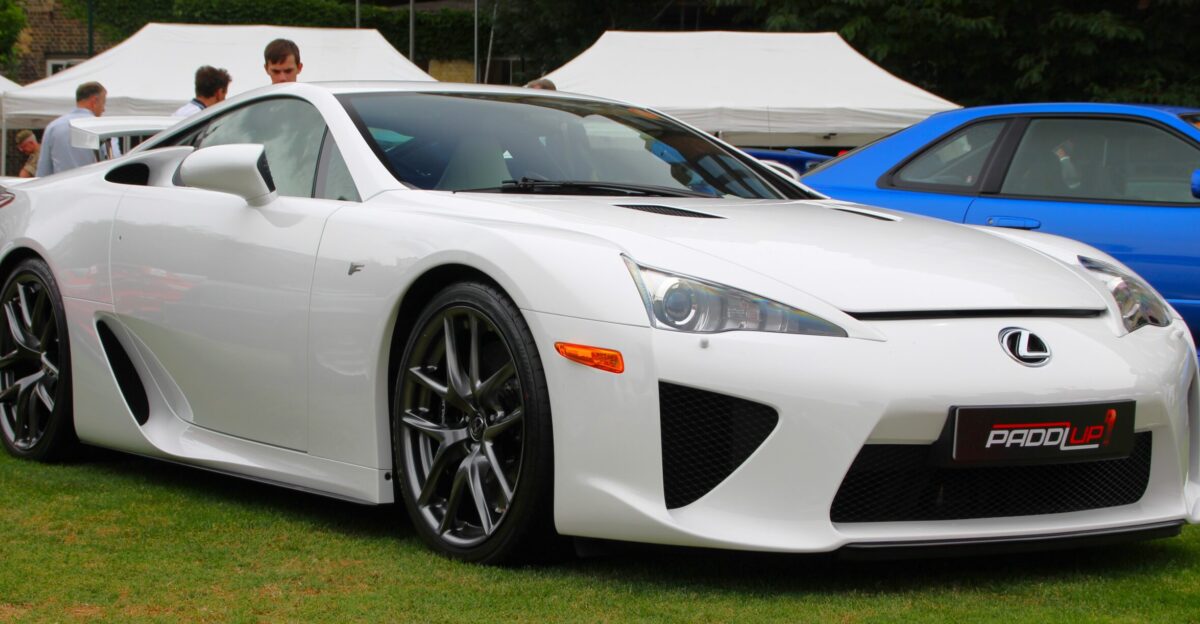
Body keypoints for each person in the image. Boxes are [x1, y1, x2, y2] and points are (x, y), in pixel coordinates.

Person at [35, 81, 106, 177]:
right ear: (94, 101)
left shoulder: (53, 127)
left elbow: (43, 170)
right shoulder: (101, 127)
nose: (103, 109)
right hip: (91, 187)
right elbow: (112, 161)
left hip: (59, 188)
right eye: (103, 102)